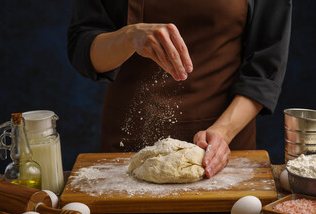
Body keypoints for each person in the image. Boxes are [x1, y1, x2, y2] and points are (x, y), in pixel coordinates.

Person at [68, 0, 292, 178]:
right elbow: (83, 49)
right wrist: (128, 37)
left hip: (223, 149)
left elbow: (265, 66)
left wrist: (223, 132)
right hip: (127, 145)